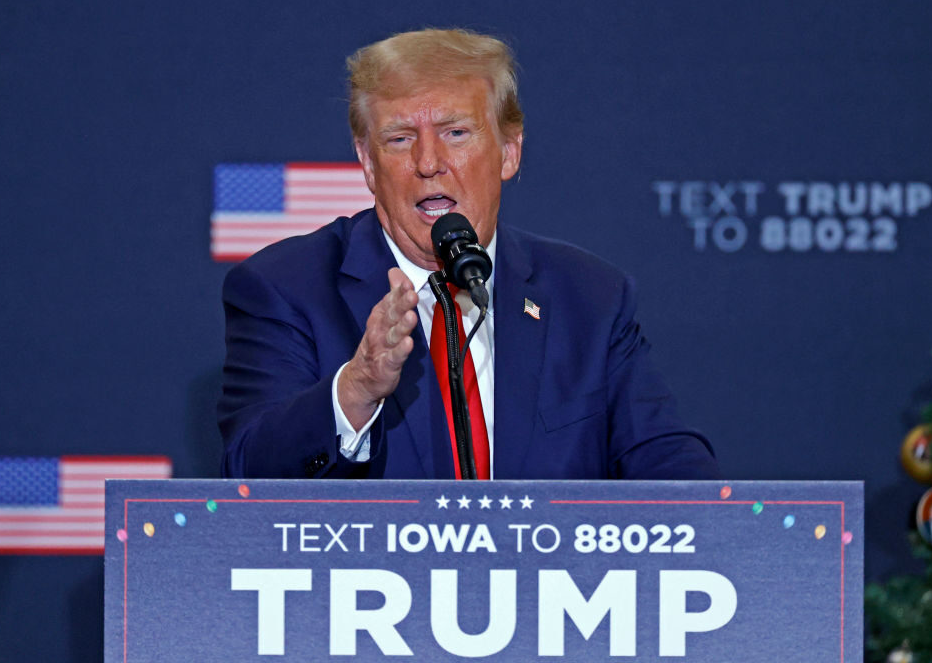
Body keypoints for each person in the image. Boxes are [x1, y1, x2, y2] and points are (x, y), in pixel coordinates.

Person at [218, 28, 719, 480]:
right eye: (399, 139)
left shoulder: (590, 297)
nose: (428, 162)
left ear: (509, 151)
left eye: (455, 133)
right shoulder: (285, 289)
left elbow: (669, 467)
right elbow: (246, 473)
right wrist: (357, 388)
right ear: (368, 164)